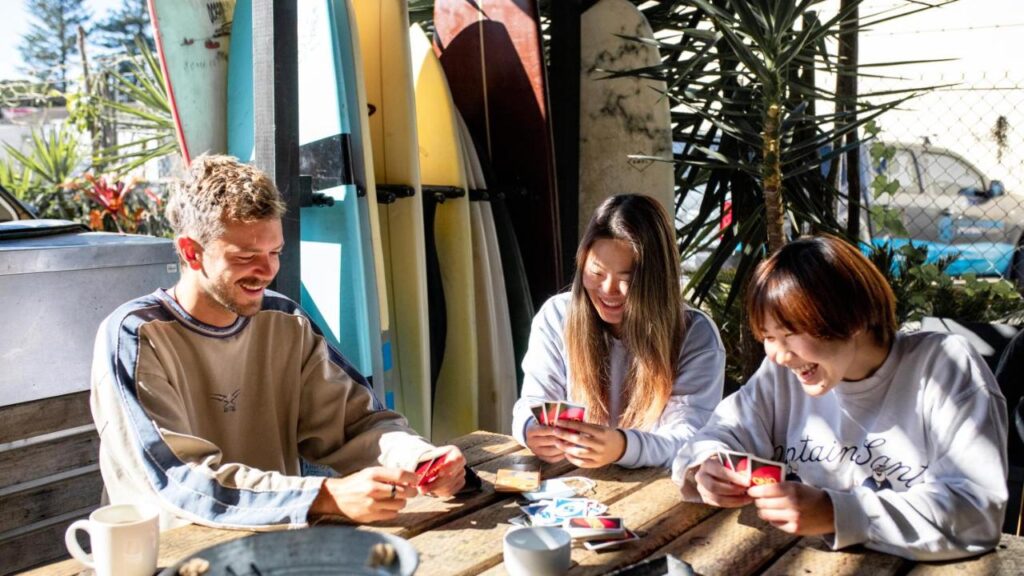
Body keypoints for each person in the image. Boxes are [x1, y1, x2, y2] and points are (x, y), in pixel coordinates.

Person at [90, 155, 465, 530]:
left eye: (275, 252)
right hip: (172, 558)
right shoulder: (134, 336)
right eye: (246, 256)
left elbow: (357, 424)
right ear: (191, 251)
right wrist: (324, 497)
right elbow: (180, 480)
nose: (268, 271)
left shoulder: (285, 322)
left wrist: (418, 460)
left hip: (279, 551)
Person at [672, 234, 1007, 561]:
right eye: (768, 337)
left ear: (854, 318)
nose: (778, 355)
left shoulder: (944, 367)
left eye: (790, 335)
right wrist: (707, 465)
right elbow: (717, 433)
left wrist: (837, 514)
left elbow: (976, 511)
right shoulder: (786, 372)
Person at [511, 194, 725, 469]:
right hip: (574, 486)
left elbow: (689, 437)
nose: (609, 290)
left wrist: (622, 446)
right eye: (597, 274)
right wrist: (531, 429)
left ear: (656, 280)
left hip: (657, 493)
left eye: (628, 279)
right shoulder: (556, 316)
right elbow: (531, 403)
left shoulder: (696, 334)